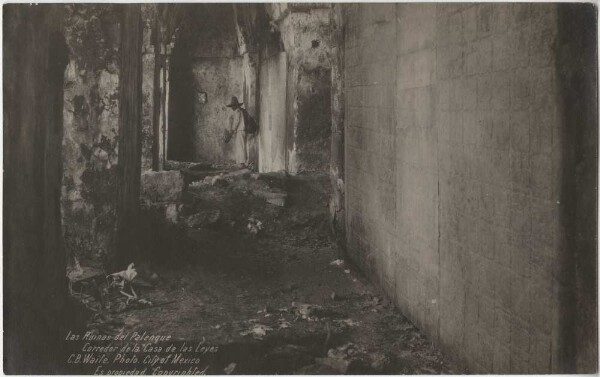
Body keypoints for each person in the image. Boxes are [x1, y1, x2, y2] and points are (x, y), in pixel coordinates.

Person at [226, 96, 249, 166]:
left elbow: (236, 121)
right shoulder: (239, 111)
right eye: (231, 106)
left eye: (233, 106)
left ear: (236, 105)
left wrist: (232, 130)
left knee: (241, 146)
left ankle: (242, 162)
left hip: (241, 130)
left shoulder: (237, 111)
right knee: (240, 145)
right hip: (241, 130)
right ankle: (241, 162)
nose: (232, 107)